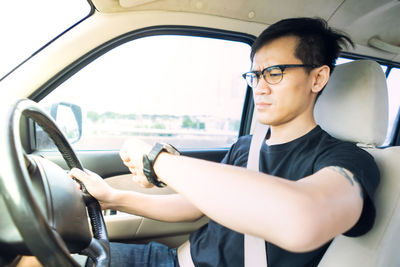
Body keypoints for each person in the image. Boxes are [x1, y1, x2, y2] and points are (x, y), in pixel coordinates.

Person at [69, 17, 379, 267]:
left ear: (318, 78)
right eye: (255, 75)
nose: (259, 87)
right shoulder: (246, 146)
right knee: (39, 257)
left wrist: (156, 160)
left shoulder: (348, 161)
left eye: (274, 73)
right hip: (173, 260)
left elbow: (303, 219)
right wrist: (113, 197)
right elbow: (193, 207)